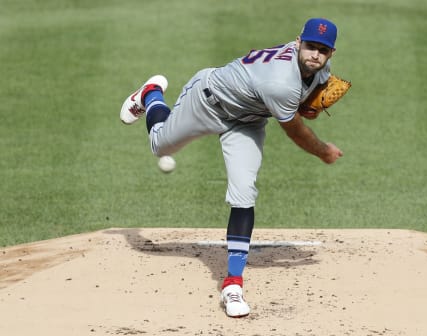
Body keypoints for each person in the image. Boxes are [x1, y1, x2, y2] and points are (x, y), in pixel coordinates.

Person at [120, 17, 344, 318]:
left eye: (323, 50)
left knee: (244, 193)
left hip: (247, 122)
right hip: (208, 102)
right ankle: (150, 94)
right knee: (160, 145)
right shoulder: (281, 82)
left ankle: (232, 284)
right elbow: (295, 131)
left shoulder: (319, 71)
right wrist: (323, 151)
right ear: (298, 42)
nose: (315, 55)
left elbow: (306, 102)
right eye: (311, 47)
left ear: (331, 53)